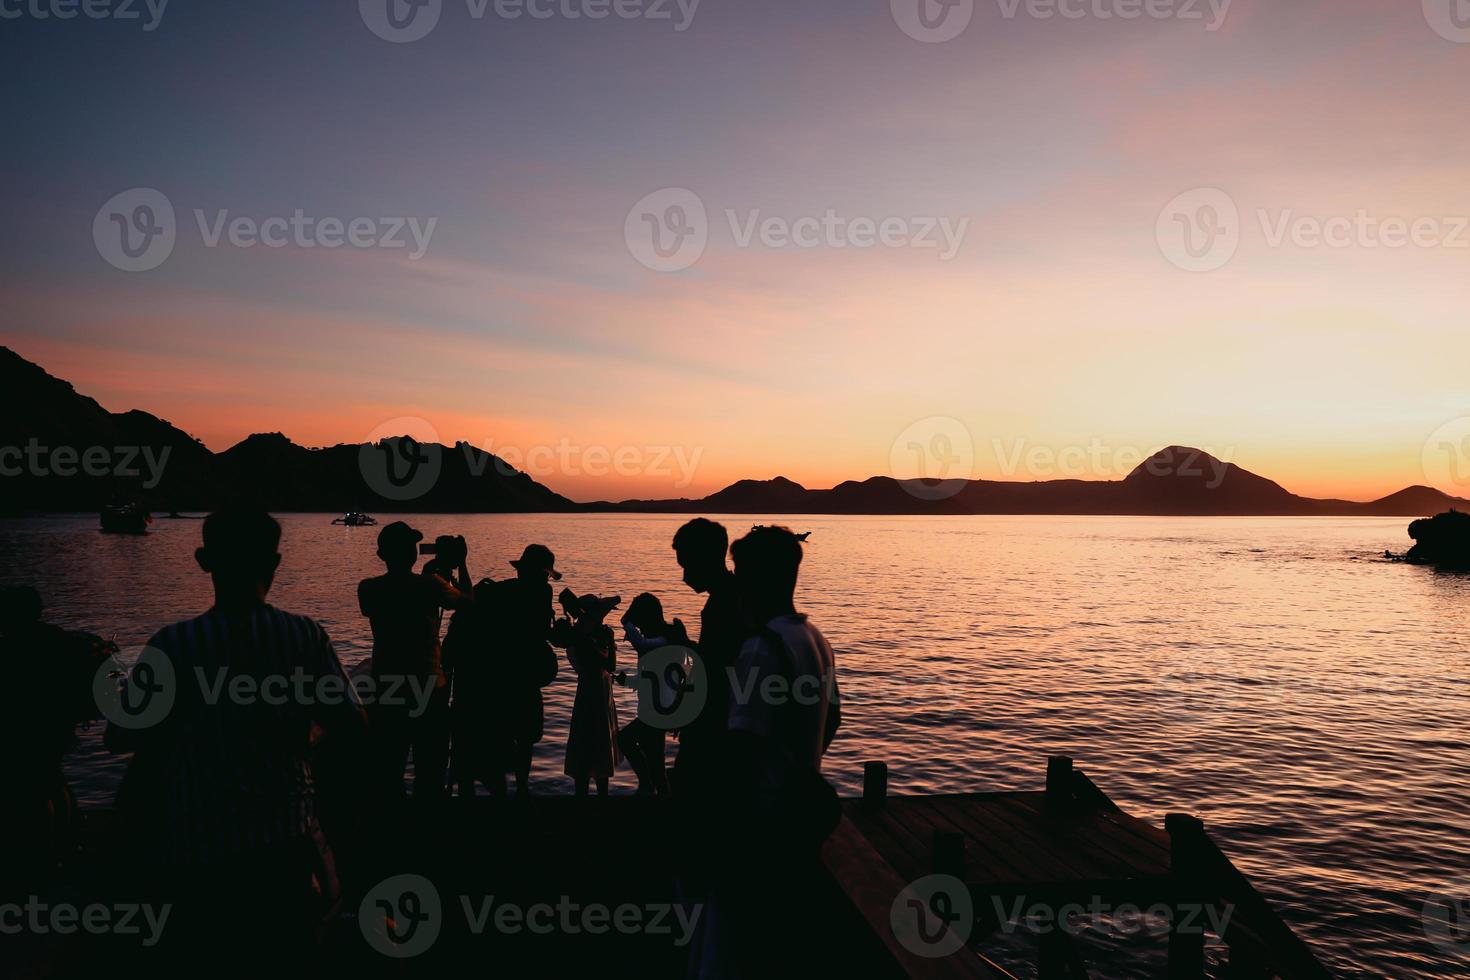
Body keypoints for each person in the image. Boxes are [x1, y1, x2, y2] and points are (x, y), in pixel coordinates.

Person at [104, 508, 368, 960]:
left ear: (204, 561)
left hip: (195, 844)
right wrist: (307, 734)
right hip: (284, 843)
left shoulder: (173, 644)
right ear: (276, 562)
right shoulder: (302, 636)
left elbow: (120, 735)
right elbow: (352, 725)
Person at [692, 525, 843, 978]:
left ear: (754, 579)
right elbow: (833, 719)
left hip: (757, 831)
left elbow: (743, 748)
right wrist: (799, 764)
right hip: (795, 825)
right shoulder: (815, 639)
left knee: (730, 951)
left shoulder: (761, 648)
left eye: (741, 572)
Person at [0, 586, 113, 893]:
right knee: (50, 777)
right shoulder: (60, 640)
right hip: (56, 722)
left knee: (37, 783)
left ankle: (45, 853)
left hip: (29, 726)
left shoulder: (13, 646)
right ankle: (63, 844)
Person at [357, 522, 471, 800]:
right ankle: (426, 831)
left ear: (382, 555)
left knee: (389, 770)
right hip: (428, 687)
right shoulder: (431, 584)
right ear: (412, 554)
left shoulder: (369, 589)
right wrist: (462, 565)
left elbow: (400, 593)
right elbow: (469, 603)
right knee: (430, 772)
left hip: (388, 687)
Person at [669, 518, 745, 798]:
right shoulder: (731, 595)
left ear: (706, 559)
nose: (685, 576)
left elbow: (717, 667)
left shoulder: (722, 604)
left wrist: (682, 645)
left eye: (687, 566)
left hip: (715, 725)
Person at [489, 544, 563, 795]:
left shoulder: (500, 591)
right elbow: (542, 631)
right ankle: (521, 788)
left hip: (503, 672)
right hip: (527, 674)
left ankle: (502, 790)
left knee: (505, 735)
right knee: (526, 737)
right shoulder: (543, 592)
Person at [616, 593, 680, 796]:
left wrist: (626, 622)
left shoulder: (665, 638)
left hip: (657, 712)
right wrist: (628, 682)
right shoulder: (656, 639)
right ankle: (650, 786)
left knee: (625, 740)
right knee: (656, 765)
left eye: (640, 622)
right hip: (650, 710)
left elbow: (642, 646)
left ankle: (646, 783)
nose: (640, 629)